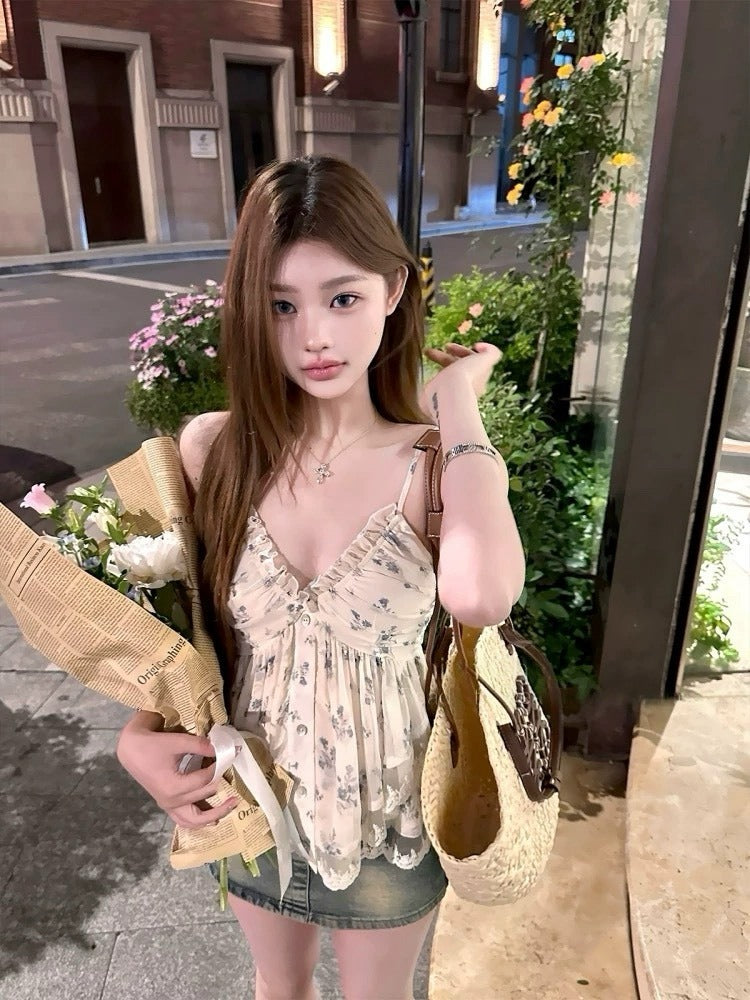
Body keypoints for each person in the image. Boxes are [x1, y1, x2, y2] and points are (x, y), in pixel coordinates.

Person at [115, 156, 525, 1000]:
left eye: (342, 298)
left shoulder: (436, 464)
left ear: (394, 290)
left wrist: (457, 400)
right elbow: (184, 628)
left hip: (389, 824)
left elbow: (481, 596)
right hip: (252, 803)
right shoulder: (215, 450)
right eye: (281, 305)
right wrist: (136, 736)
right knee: (278, 990)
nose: (313, 337)